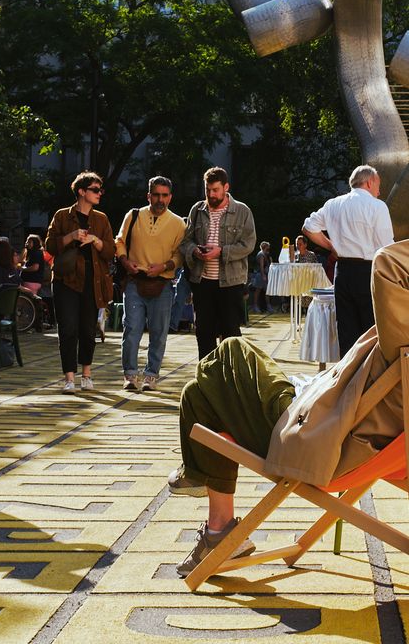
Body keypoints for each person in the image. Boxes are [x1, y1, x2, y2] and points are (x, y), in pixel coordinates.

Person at [169, 238, 408, 577]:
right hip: (332, 420)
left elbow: (388, 261)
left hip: (320, 439)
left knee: (232, 352)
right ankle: (218, 529)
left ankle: (194, 473)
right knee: (198, 394)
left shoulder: (403, 337)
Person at [302, 165, 393, 357]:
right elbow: (386, 248)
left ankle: (348, 381)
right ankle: (370, 381)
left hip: (342, 271)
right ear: (369, 182)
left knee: (347, 330)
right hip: (368, 272)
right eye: (378, 185)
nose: (379, 190)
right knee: (371, 329)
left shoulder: (334, 204)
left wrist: (330, 246)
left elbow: (308, 228)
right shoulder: (377, 206)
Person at [45, 171, 115, 394]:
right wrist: (72, 236)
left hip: (92, 281)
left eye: (100, 190)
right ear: (81, 192)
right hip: (66, 280)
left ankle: (86, 374)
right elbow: (50, 246)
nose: (99, 194)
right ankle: (69, 378)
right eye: (95, 190)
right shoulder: (63, 216)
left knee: (87, 330)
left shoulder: (101, 219)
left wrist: (95, 240)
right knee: (67, 329)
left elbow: (111, 251)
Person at [115, 176, 185, 391]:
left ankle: (151, 375)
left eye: (164, 195)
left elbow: (179, 255)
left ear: (170, 197)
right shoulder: (134, 215)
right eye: (156, 194)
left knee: (158, 331)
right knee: (131, 329)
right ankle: (130, 375)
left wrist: (164, 266)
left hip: (162, 283)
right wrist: (125, 262)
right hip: (135, 280)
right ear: (149, 195)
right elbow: (119, 241)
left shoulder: (178, 223)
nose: (160, 199)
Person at [180, 166, 256, 360]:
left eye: (215, 190)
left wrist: (221, 251)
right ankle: (207, 377)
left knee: (230, 333)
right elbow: (185, 242)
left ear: (226, 187)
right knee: (203, 332)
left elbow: (248, 244)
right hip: (202, 280)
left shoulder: (242, 210)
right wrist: (195, 251)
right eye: (207, 190)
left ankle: (231, 377)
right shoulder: (197, 210)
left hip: (231, 282)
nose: (211, 194)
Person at [294, 234, 319, 309]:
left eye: (300, 244)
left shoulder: (311, 255)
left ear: (305, 245)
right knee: (298, 305)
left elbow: (317, 269)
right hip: (298, 284)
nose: (298, 246)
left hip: (309, 283)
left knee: (309, 305)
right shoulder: (295, 256)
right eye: (297, 244)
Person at [251, 240, 272, 313]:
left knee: (266, 291)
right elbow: (261, 266)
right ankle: (255, 306)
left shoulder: (265, 254)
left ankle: (268, 306)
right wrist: (263, 276)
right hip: (260, 275)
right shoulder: (261, 255)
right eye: (267, 247)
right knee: (258, 290)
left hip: (264, 275)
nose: (268, 249)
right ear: (264, 247)